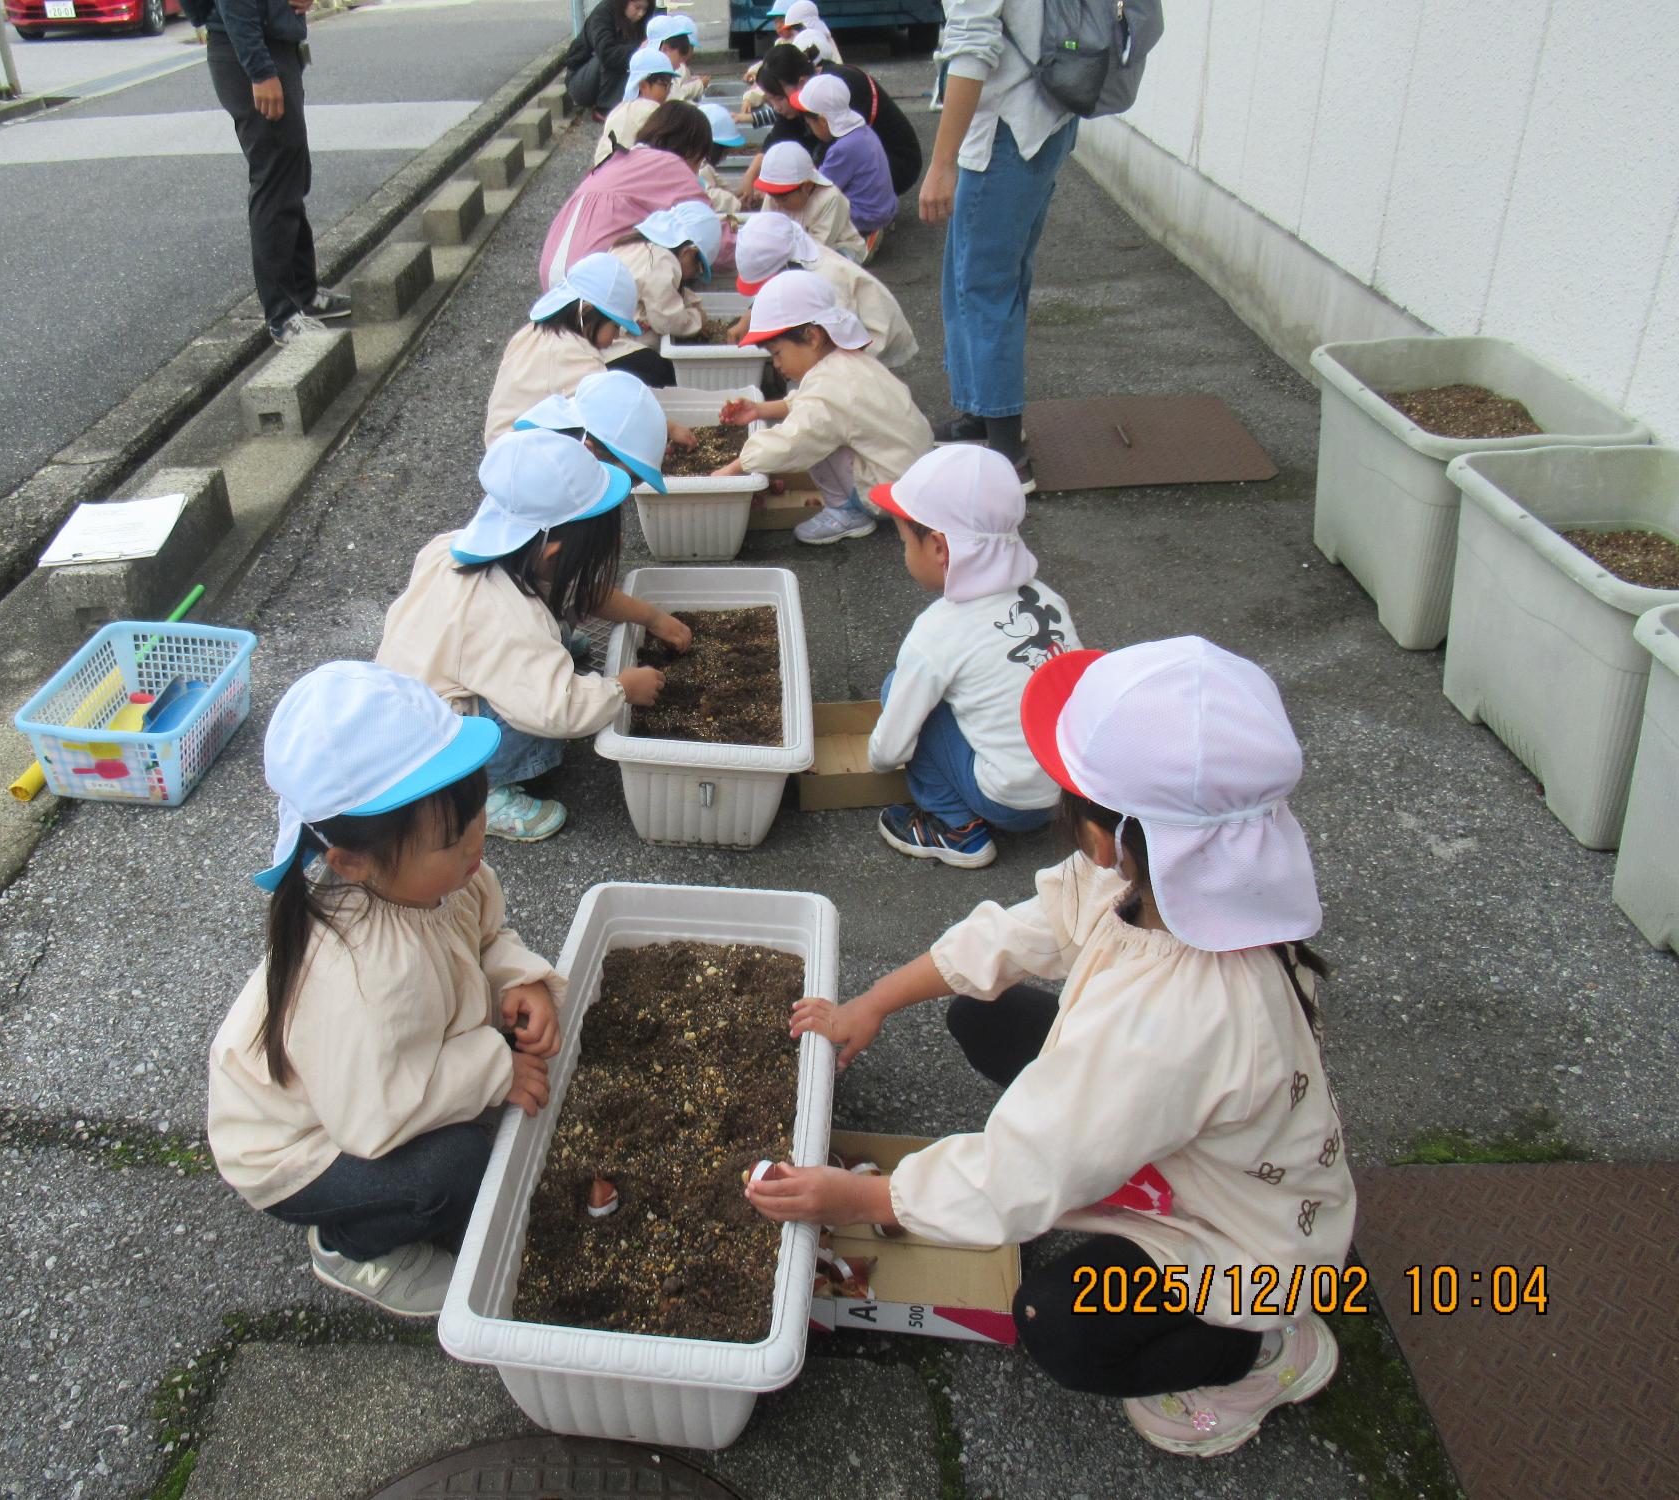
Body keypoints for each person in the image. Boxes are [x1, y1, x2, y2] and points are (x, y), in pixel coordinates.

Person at [750, 636, 1356, 1460]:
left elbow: (1022, 1172)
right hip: (1188, 1137)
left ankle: (1261, 1353)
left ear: (1105, 835)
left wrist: (856, 1200)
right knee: (984, 1015)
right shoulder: (1173, 870)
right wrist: (874, 1003)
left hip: (1247, 1246)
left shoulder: (1176, 1020)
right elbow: (1019, 933)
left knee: (1059, 1324)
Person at [206, 661, 560, 1317]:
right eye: (451, 839)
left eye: (477, 813)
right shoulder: (362, 980)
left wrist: (520, 979)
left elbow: (486, 937)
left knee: (510, 1064)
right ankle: (351, 1247)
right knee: (453, 1169)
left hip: (380, 1077)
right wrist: (495, 1069)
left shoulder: (440, 877)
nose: (477, 845)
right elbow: (376, 1117)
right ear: (350, 861)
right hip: (311, 1142)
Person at [376, 429, 691, 841]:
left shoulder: (461, 549)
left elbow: (579, 592)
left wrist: (652, 618)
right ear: (554, 554)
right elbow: (557, 707)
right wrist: (621, 689)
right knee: (537, 700)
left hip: (413, 704)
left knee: (539, 639)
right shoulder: (505, 618)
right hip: (438, 751)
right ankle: (478, 795)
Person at [861, 445, 1079, 866]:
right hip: (1069, 792)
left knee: (900, 690)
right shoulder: (1046, 599)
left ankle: (956, 829)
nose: (904, 553)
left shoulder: (938, 631)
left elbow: (889, 752)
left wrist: (875, 757)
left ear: (939, 548)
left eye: (905, 542)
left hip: (1011, 804)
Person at [923, 0, 1080, 491]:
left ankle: (1007, 453)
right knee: (983, 281)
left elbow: (972, 48)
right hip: (1046, 117)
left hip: (1006, 130)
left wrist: (941, 164)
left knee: (983, 289)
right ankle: (981, 415)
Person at [711, 269, 932, 546]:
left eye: (777, 353)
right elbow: (811, 401)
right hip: (913, 472)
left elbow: (793, 441)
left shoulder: (827, 389)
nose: (776, 364)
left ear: (813, 337)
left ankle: (847, 512)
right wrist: (760, 410)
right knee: (820, 425)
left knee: (812, 439)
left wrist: (732, 469)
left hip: (889, 488)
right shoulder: (845, 362)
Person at [203, 0, 350, 346]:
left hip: (272, 46)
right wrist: (260, 70)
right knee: (274, 178)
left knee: (291, 174)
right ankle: (282, 315)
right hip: (251, 50)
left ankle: (304, 294)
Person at [539, 102, 712, 289]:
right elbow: (707, 230)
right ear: (691, 150)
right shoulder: (672, 167)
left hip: (553, 270)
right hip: (595, 278)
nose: (697, 171)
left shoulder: (618, 159)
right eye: (699, 161)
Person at [484, 253, 642, 448]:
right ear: (585, 312)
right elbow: (610, 408)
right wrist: (665, 428)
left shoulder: (531, 333)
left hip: (504, 448)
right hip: (524, 454)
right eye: (615, 326)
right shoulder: (571, 354)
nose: (616, 336)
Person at [732, 212, 917, 367]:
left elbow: (839, 340)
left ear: (783, 266)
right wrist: (749, 317)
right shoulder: (793, 251)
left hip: (873, 336)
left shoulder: (826, 281)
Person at [757, 41, 922, 199]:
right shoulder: (801, 94)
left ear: (802, 82)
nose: (776, 107)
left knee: (814, 193)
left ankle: (867, 210)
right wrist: (751, 179)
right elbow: (779, 139)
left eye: (779, 98)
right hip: (864, 160)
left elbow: (829, 168)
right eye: (770, 101)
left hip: (897, 163)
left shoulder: (838, 88)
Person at [514, 368, 694, 493]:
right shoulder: (561, 509)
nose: (623, 495)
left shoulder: (548, 460)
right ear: (588, 452)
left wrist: (667, 428)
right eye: (625, 483)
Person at [602, 202, 723, 386]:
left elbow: (667, 293)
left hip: (604, 340)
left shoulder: (632, 245)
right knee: (666, 375)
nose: (694, 275)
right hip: (616, 349)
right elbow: (667, 320)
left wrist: (692, 304)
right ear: (688, 252)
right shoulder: (661, 260)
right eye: (698, 269)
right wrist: (697, 319)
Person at [790, 73, 895, 252]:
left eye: (810, 124)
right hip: (883, 208)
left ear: (823, 121)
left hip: (865, 216)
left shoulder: (843, 149)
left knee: (811, 212)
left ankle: (856, 243)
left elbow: (818, 188)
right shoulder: (863, 131)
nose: (810, 129)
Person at [754, 140, 865, 263]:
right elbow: (764, 231)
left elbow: (817, 248)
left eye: (784, 198)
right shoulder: (775, 196)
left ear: (807, 186)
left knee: (828, 262)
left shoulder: (830, 198)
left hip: (835, 249)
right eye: (771, 194)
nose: (776, 201)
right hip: (792, 250)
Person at [592, 45, 678, 168]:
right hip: (627, 174)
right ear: (643, 85)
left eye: (670, 85)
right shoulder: (651, 110)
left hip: (602, 173)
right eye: (665, 85)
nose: (668, 91)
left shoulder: (619, 109)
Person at [565, 0, 651, 116]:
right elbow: (606, 53)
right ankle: (605, 109)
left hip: (608, 80)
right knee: (611, 56)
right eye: (637, 8)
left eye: (644, 9)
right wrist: (638, 48)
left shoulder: (641, 21)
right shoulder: (602, 15)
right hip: (580, 80)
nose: (641, 14)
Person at [695, 103, 750, 214]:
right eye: (724, 151)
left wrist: (733, 194)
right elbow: (708, 195)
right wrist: (737, 204)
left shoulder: (704, 165)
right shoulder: (698, 167)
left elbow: (719, 186)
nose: (725, 156)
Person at [647, 12, 708, 101]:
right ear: (665, 48)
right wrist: (699, 85)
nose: (680, 64)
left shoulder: (658, 67)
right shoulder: (653, 74)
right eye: (681, 52)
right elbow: (673, 97)